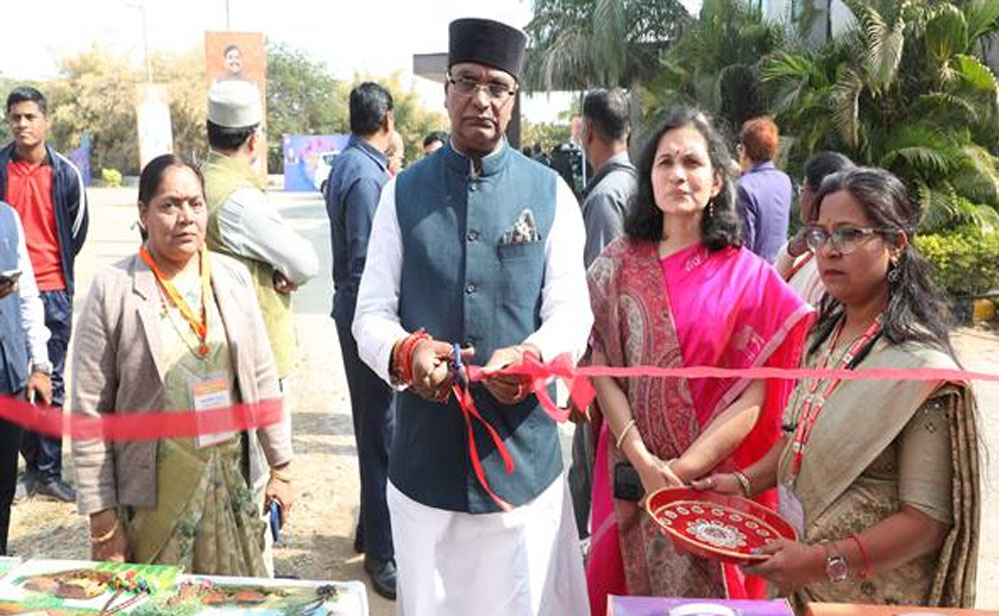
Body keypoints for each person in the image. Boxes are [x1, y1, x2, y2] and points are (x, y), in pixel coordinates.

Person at [352, 17, 591, 615]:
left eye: (497, 86)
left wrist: (534, 358)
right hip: (425, 469)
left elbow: (572, 310)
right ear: (447, 91)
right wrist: (406, 352)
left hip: (521, 471)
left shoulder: (551, 193)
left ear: (514, 99)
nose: (481, 98)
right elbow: (370, 313)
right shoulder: (401, 193)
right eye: (467, 81)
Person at [695, 167, 981, 608]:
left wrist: (821, 561)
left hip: (868, 600)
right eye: (821, 234)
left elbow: (926, 523)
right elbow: (797, 441)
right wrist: (741, 483)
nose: (829, 250)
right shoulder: (821, 339)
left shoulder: (921, 372)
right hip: (801, 583)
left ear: (896, 245)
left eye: (849, 234)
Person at [585, 107, 814, 612]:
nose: (677, 174)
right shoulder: (617, 264)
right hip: (628, 473)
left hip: (711, 486)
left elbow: (757, 395)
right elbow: (602, 367)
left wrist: (681, 472)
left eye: (692, 162)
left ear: (716, 181)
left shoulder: (749, 278)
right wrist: (643, 460)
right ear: (649, 177)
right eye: (664, 162)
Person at [71, 154, 294, 576]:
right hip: (153, 498)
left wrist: (281, 467)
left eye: (195, 204)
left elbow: (263, 378)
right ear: (143, 213)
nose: (185, 217)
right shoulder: (113, 289)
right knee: (157, 597)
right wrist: (102, 519)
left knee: (233, 597)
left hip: (228, 480)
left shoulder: (231, 277)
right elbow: (89, 410)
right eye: (169, 205)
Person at [202, 80, 319, 433]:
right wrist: (285, 271)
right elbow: (304, 263)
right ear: (254, 140)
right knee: (262, 451)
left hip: (213, 343)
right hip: (253, 352)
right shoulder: (240, 199)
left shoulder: (201, 180)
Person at [325, 81, 397, 599]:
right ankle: (382, 553)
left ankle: (370, 529)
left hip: (352, 311)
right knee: (381, 435)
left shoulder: (352, 164)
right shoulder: (367, 176)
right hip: (363, 318)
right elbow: (364, 263)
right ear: (387, 120)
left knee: (374, 428)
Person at [0, 86, 88, 503]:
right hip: (7, 294)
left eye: (30, 116)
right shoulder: (1, 168)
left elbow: (77, 230)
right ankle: (25, 466)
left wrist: (53, 271)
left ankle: (48, 472)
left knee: (50, 380)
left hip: (52, 290)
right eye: (15, 117)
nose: (22, 124)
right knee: (14, 381)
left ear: (45, 121)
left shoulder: (65, 173)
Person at [569, 87, 637, 541]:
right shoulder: (638, 186)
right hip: (635, 362)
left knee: (591, 468)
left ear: (587, 132)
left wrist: (583, 382)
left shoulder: (605, 197)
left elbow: (597, 299)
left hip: (608, 367)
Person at [0, 202, 52, 554]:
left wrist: (40, 365)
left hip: (10, 377)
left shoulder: (7, 217)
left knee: (3, 489)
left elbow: (28, 295)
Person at [775, 152, 853, 305]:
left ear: (817, 196)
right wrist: (790, 253)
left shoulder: (830, 265)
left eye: (803, 190)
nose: (800, 198)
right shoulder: (805, 247)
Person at [735, 116, 791, 263]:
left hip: (755, 271)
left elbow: (745, 245)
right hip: (780, 266)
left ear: (744, 150)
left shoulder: (743, 187)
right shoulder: (784, 180)